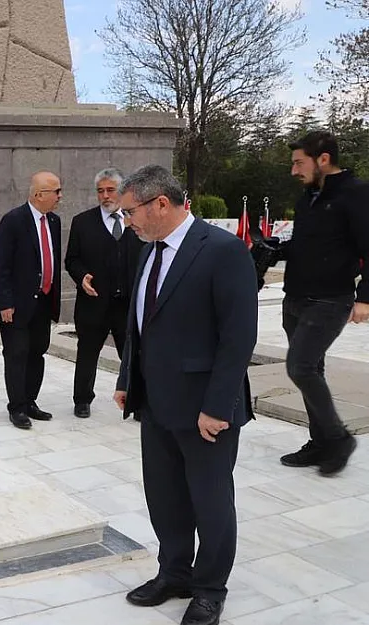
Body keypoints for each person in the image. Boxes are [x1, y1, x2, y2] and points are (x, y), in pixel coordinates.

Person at [113, 165, 257, 625]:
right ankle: (173, 571)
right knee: (165, 497)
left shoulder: (222, 251)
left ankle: (210, 587)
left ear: (160, 203)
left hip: (205, 409)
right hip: (155, 402)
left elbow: (238, 338)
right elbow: (141, 325)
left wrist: (217, 407)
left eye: (130, 211)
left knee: (210, 502)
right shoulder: (147, 252)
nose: (126, 221)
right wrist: (127, 379)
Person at [276, 131, 369, 476]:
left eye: (299, 162)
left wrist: (365, 299)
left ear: (323, 159)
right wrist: (274, 249)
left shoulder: (356, 194)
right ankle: (320, 443)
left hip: (330, 300)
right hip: (295, 298)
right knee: (312, 370)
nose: (293, 170)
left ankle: (338, 438)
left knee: (299, 367)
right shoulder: (310, 197)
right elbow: (308, 246)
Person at [64, 168, 144, 418]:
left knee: (132, 356)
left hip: (127, 305)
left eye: (110, 190)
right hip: (94, 304)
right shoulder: (82, 222)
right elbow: (71, 260)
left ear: (122, 192)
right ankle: (82, 400)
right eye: (100, 191)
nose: (105, 196)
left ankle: (137, 401)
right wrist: (81, 276)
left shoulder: (137, 222)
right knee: (87, 354)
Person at [0, 171, 63, 429]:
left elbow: (52, 259)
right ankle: (17, 407)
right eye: (56, 191)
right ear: (38, 194)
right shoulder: (13, 221)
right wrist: (5, 303)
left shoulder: (53, 221)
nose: (60, 196)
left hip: (43, 301)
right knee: (16, 354)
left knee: (37, 353)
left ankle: (31, 400)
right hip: (17, 304)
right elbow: (1, 265)